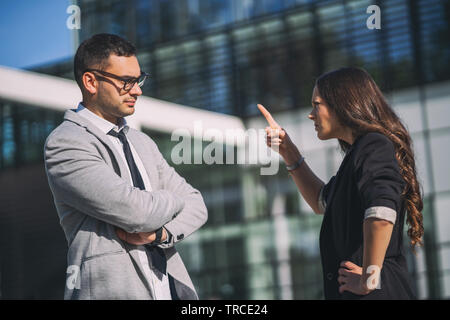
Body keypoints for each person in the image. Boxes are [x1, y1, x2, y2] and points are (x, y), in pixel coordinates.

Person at [44, 33, 208, 300]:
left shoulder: (141, 142)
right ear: (90, 81)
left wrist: (161, 234)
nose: (137, 90)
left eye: (139, 79)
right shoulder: (66, 143)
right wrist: (172, 200)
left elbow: (197, 205)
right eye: (126, 82)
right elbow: (137, 213)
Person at [258, 67, 423, 299]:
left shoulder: (373, 145)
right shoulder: (358, 155)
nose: (311, 114)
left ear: (343, 103)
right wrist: (288, 152)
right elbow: (320, 201)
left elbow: (383, 213)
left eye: (317, 104)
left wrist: (369, 278)